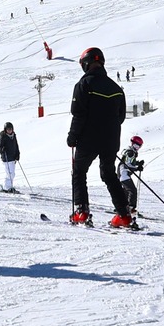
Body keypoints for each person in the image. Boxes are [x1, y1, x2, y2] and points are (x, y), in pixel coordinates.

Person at [65, 47, 131, 228]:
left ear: (86, 64)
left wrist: (72, 137)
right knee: (109, 174)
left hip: (88, 138)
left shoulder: (83, 85)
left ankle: (81, 212)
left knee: (79, 172)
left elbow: (79, 115)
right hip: (110, 139)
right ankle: (124, 215)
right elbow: (121, 117)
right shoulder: (117, 88)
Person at [117, 134, 146, 216]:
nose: (138, 148)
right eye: (137, 145)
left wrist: (138, 163)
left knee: (126, 190)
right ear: (133, 144)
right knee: (132, 190)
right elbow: (127, 165)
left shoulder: (130, 152)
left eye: (139, 146)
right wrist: (137, 168)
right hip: (124, 174)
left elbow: (130, 163)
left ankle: (122, 206)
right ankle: (130, 207)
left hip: (123, 174)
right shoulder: (130, 152)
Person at [0, 122, 21, 192]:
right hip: (6, 158)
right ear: (5, 130)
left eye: (10, 129)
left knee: (12, 174)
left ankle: (9, 187)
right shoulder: (3, 137)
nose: (9, 130)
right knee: (9, 174)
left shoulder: (14, 136)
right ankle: (6, 188)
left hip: (13, 158)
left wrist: (17, 154)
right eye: (8, 129)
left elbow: (16, 146)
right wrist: (2, 150)